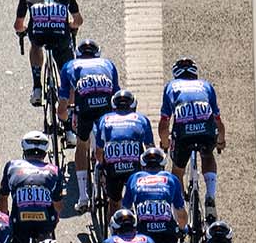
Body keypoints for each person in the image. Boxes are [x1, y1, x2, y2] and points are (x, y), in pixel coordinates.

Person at [158, 57, 225, 218]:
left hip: (183, 134)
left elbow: (164, 123)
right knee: (208, 155)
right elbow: (218, 121)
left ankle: (180, 205)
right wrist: (221, 141)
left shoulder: (171, 87)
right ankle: (210, 194)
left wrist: (165, 143)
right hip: (206, 131)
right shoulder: (206, 86)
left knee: (177, 171)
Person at [14, 0, 83, 107]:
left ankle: (37, 87)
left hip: (38, 33)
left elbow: (18, 24)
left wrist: (22, 31)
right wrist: (71, 26)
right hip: (61, 34)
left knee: (36, 46)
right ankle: (68, 115)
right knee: (67, 71)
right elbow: (78, 20)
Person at [59, 39, 120, 211]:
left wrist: (64, 117)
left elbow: (63, 104)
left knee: (82, 144)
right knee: (107, 141)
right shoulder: (108, 64)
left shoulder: (70, 65)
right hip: (106, 107)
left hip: (84, 108)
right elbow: (117, 96)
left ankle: (83, 196)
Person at [0, 131, 63, 243]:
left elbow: (3, 197)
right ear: (44, 154)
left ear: (24, 152)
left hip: (19, 223)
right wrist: (55, 219)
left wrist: (6, 216)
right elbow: (58, 205)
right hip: (45, 224)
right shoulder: (54, 171)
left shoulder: (12, 166)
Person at [93, 90, 154, 210]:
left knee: (114, 203)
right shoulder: (142, 120)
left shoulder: (104, 120)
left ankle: (113, 226)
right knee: (141, 201)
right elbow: (150, 150)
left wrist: (101, 166)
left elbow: (99, 152)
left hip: (113, 169)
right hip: (135, 167)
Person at [121, 148, 187, 243]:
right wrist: (182, 229)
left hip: (142, 234)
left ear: (143, 166)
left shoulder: (134, 178)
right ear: (162, 165)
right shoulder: (172, 179)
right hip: (167, 233)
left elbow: (125, 209)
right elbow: (181, 215)